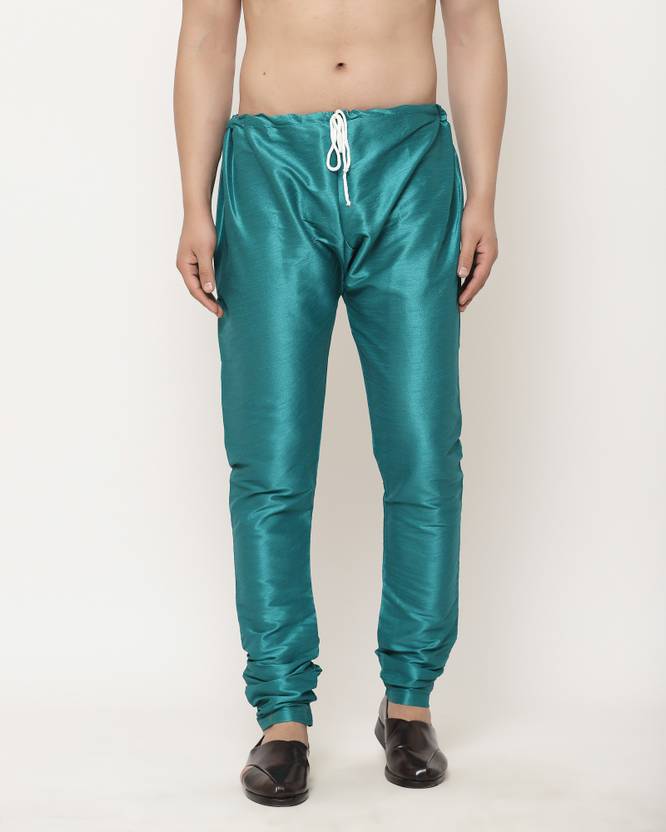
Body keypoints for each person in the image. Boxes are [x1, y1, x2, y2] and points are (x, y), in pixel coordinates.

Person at [174, 0, 506, 807]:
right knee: (269, 459)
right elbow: (207, 34)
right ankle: (282, 716)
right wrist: (194, 203)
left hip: (411, 167)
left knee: (424, 452)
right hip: (269, 171)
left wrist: (483, 195)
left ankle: (409, 703)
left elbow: (472, 26)